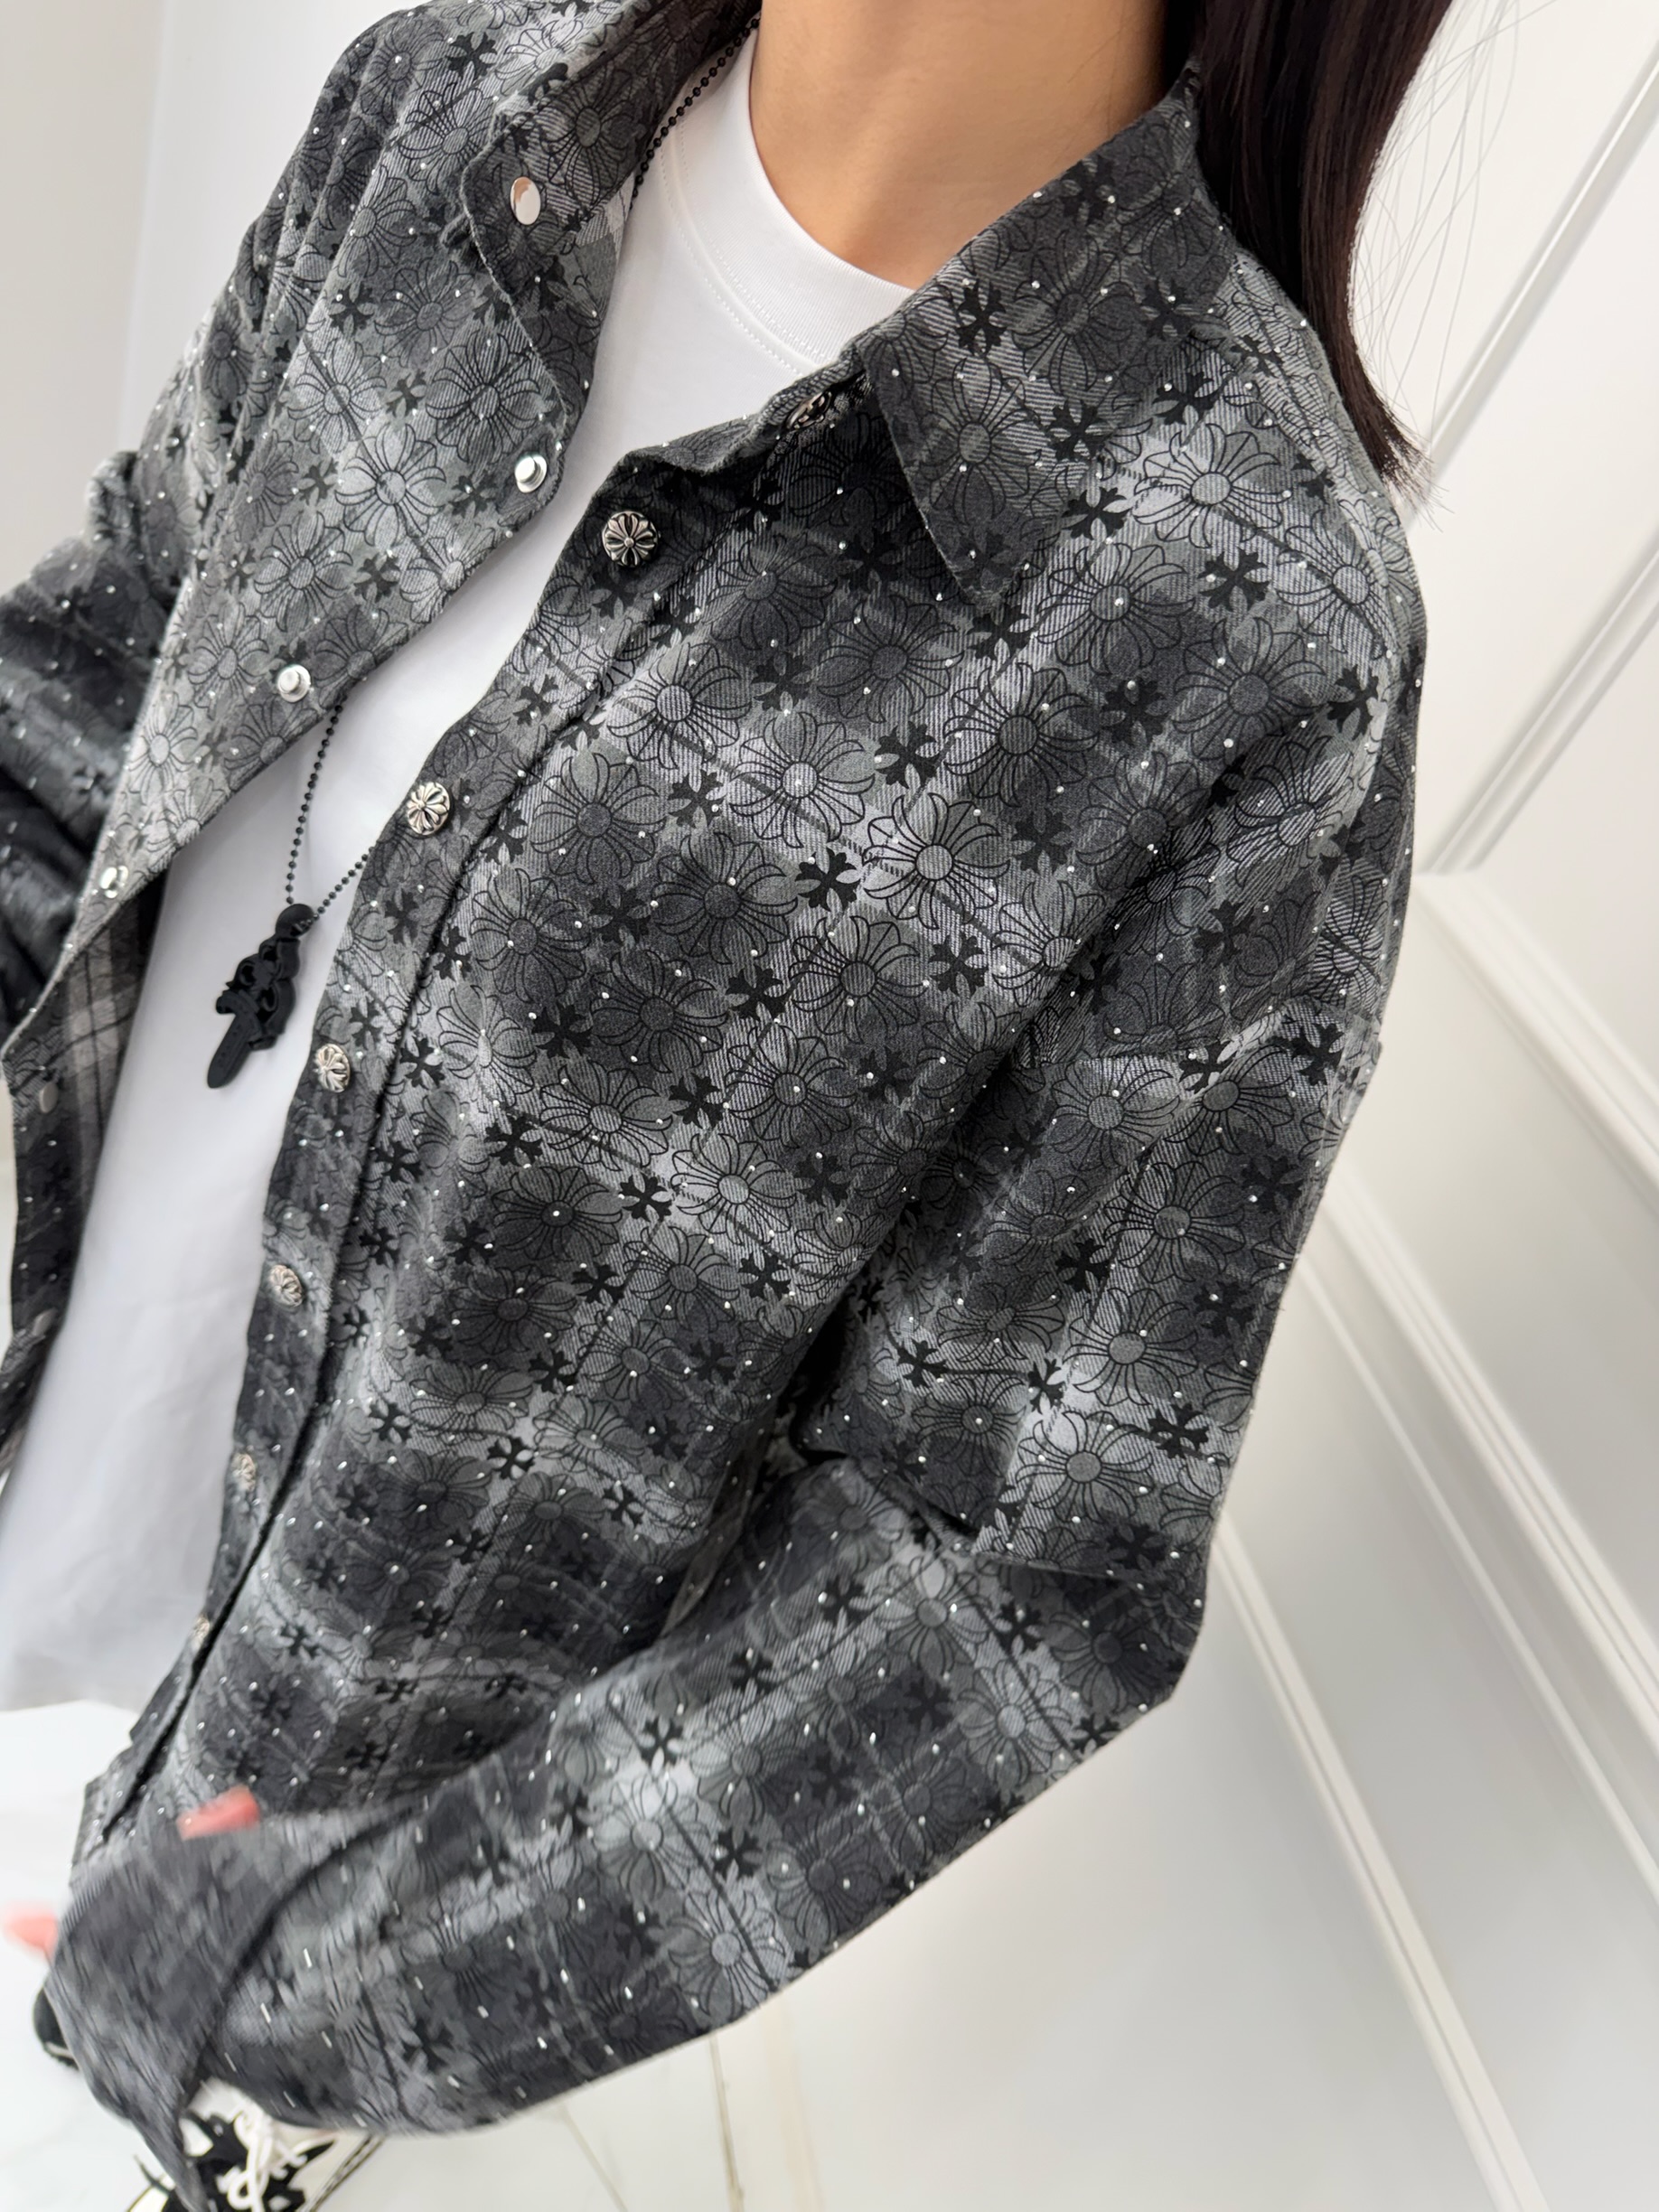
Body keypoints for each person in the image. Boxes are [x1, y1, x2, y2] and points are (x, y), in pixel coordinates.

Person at [0, 0, 1448, 2200]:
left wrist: (315, 1972)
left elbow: (1007, 1549)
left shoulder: (1243, 623)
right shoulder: (452, 112)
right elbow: (78, 706)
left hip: (188, 1934)